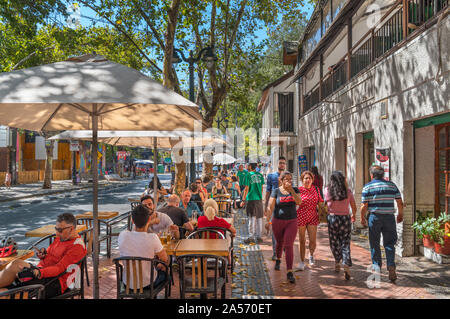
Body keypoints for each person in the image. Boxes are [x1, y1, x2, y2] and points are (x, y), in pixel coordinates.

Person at [0, 213, 87, 298]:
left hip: (55, 282)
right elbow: (50, 255)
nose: (56, 233)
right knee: (15, 264)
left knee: (4, 291)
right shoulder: (61, 238)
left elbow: (59, 269)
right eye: (56, 229)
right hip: (43, 273)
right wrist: (43, 255)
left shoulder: (77, 247)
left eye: (60, 230)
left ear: (71, 229)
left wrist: (38, 272)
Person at [360, 165, 403, 282]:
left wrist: (362, 217)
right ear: (382, 175)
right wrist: (400, 214)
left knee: (374, 243)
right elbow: (399, 202)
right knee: (389, 243)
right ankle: (391, 266)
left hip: (374, 218)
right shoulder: (392, 185)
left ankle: (377, 267)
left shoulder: (367, 187)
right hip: (389, 218)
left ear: (371, 175)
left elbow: (364, 205)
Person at [118, 204, 169, 289]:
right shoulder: (152, 238)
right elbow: (164, 258)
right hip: (148, 284)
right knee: (166, 274)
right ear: (149, 219)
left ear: (132, 220)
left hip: (128, 283)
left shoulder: (123, 235)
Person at [265, 171, 301, 283]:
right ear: (281, 180)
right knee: (279, 242)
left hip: (292, 221)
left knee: (288, 244)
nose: (289, 181)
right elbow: (270, 207)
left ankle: (290, 271)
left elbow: (299, 202)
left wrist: (292, 192)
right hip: (278, 221)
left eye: (291, 179)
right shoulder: (276, 191)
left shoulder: (295, 190)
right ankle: (278, 259)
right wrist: (267, 221)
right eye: (286, 179)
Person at [323, 171, 357, 280]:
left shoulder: (327, 191)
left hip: (332, 218)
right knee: (345, 241)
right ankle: (346, 262)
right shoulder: (348, 192)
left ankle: (337, 261)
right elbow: (354, 206)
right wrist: (354, 215)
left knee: (334, 241)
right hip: (345, 219)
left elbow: (325, 204)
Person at [296, 170, 324, 271]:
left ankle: (311, 254)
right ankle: (302, 260)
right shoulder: (298, 190)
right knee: (302, 240)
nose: (307, 180)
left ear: (312, 180)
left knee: (312, 240)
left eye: (309, 178)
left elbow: (321, 202)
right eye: (305, 178)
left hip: (313, 216)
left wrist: (323, 211)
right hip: (301, 216)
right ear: (302, 180)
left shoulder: (316, 189)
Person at [265, 156, 287, 260]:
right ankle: (275, 252)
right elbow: (268, 191)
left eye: (283, 163)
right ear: (277, 164)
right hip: (274, 205)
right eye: (280, 163)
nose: (282, 164)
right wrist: (266, 205)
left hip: (285, 206)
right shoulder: (271, 176)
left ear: (285, 165)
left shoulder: (288, 176)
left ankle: (283, 247)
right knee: (275, 229)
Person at [242, 162, 265, 244]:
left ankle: (251, 237)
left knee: (252, 218)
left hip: (251, 199)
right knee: (259, 218)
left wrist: (243, 199)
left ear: (250, 167)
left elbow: (246, 188)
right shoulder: (260, 175)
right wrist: (260, 196)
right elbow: (262, 188)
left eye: (247, 165)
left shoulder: (248, 175)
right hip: (259, 199)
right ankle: (259, 237)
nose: (246, 166)